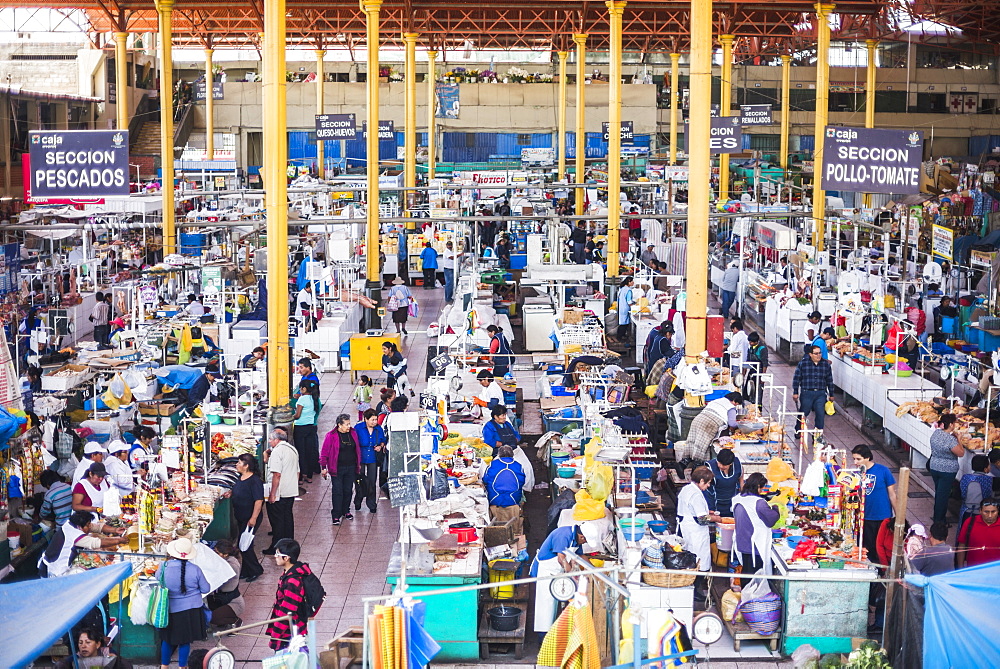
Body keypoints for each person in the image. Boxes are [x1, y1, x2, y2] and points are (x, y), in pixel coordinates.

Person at [157, 537, 211, 669]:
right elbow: (206, 589)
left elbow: (158, 579)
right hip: (191, 610)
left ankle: (164, 666)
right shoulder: (195, 569)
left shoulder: (163, 567)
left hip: (169, 610)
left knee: (167, 639)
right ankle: (182, 666)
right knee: (185, 641)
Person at [530, 524, 590, 632]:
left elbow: (581, 556)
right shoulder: (563, 535)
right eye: (585, 541)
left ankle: (552, 634)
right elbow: (561, 558)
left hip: (557, 571)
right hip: (546, 570)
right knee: (545, 609)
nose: (585, 543)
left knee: (554, 607)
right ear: (582, 536)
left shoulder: (576, 538)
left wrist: (594, 570)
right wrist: (570, 574)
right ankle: (542, 638)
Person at [677, 467, 723, 599]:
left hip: (687, 528)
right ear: (701, 480)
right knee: (700, 561)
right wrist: (717, 518)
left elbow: (694, 511)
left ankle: (692, 589)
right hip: (695, 532)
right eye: (707, 483)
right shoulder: (696, 494)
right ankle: (695, 591)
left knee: (692, 559)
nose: (708, 486)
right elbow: (702, 519)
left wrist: (709, 512)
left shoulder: (687, 489)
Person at [40, 510, 127, 578]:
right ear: (80, 526)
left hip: (50, 563)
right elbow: (95, 543)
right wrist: (119, 540)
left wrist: (115, 530)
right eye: (88, 525)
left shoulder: (71, 523)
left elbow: (95, 527)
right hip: (54, 569)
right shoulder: (74, 534)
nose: (90, 527)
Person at [852, 445, 898, 566]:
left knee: (881, 549)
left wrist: (899, 516)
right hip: (865, 517)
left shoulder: (883, 471)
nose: (855, 462)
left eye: (858, 459)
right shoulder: (856, 474)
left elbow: (892, 495)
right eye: (854, 459)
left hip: (883, 517)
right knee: (866, 550)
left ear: (867, 458)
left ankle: (882, 573)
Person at [732, 473, 781, 585]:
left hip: (742, 541)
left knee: (746, 571)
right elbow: (771, 520)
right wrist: (775, 507)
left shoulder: (737, 498)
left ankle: (746, 596)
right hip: (755, 544)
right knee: (755, 575)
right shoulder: (758, 503)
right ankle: (753, 599)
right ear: (758, 486)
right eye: (762, 488)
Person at [267, 539, 316, 650]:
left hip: (290, 633)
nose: (275, 556)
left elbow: (287, 613)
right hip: (291, 629)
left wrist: (275, 637)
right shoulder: (291, 573)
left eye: (278, 554)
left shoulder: (292, 582)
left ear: (286, 558)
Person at [262, 429, 299, 555]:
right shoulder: (292, 450)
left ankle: (276, 546)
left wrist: (272, 494)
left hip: (280, 493)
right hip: (290, 490)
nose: (270, 442)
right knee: (287, 517)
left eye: (271, 440)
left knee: (277, 520)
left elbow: (276, 475)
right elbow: (297, 472)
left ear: (277, 440)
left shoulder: (278, 452)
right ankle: (289, 543)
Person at [321, 414, 362, 525]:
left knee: (348, 490)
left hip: (351, 467)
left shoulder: (353, 433)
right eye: (346, 424)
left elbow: (356, 449)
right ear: (339, 425)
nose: (349, 426)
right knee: (338, 491)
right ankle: (336, 515)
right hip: (337, 468)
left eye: (349, 424)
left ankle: (346, 510)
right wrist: (323, 467)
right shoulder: (331, 436)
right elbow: (324, 452)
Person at [231, 453, 265, 581]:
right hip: (241, 516)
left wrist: (253, 518)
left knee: (245, 545)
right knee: (243, 543)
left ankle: (256, 569)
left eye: (239, 463)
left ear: (246, 466)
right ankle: (246, 570)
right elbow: (238, 491)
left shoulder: (255, 481)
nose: (237, 465)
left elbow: (258, 501)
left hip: (250, 517)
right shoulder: (241, 478)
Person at [682, 392, 743, 463]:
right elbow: (732, 423)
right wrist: (742, 424)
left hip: (697, 420)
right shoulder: (731, 407)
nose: (735, 406)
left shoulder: (717, 401)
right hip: (709, 424)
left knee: (692, 442)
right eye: (736, 404)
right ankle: (698, 465)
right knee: (703, 446)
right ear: (734, 401)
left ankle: (684, 462)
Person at [792, 345, 835, 438]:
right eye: (816, 353)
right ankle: (798, 430)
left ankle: (817, 434)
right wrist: (795, 392)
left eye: (820, 353)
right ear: (810, 354)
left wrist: (831, 394)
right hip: (807, 392)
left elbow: (829, 380)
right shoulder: (803, 364)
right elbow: (797, 378)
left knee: (820, 413)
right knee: (804, 412)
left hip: (820, 393)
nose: (818, 355)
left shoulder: (825, 365)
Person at [928, 414, 963, 523]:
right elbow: (961, 453)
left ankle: (938, 517)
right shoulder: (951, 440)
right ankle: (939, 521)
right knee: (942, 496)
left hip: (934, 466)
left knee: (939, 492)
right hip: (947, 470)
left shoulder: (936, 433)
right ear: (951, 425)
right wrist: (959, 440)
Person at [354, 409, 386, 513]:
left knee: (372, 481)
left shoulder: (378, 429)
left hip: (373, 458)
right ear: (366, 419)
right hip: (361, 458)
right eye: (372, 420)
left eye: (375, 420)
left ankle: (371, 504)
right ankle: (358, 500)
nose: (374, 422)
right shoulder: (358, 428)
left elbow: (383, 440)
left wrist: (380, 446)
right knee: (360, 481)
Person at [207, 540, 245, 629]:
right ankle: (223, 618)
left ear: (225, 554)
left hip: (233, 602)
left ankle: (236, 621)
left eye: (217, 552)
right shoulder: (224, 561)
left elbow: (217, 574)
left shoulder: (232, 565)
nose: (215, 554)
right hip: (220, 598)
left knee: (212, 618)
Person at [483, 445, 527, 521]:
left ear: (499, 455)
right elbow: (522, 482)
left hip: (494, 499)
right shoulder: (518, 466)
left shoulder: (492, 464)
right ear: (512, 455)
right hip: (513, 499)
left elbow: (485, 480)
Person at [55, 626, 131, 669]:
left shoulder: (107, 652)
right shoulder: (76, 658)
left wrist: (116, 659)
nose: (83, 646)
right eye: (80, 643)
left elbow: (125, 665)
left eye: (88, 642)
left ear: (98, 644)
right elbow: (62, 664)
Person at [956, 498, 1000, 568]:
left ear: (998, 511)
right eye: (986, 512)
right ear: (980, 511)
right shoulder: (969, 522)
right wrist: (960, 569)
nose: (990, 516)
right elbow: (962, 545)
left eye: (993, 512)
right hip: (973, 571)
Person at [292, 379, 321, 483]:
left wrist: (290, 417)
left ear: (304, 389)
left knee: (300, 452)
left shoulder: (302, 400)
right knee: (309, 452)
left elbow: (297, 415)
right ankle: (309, 476)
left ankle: (300, 477)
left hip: (300, 428)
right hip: (311, 428)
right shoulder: (315, 399)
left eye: (300, 388)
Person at [705, 448, 744, 517]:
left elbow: (740, 474)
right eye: (719, 463)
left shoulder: (737, 464)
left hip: (732, 501)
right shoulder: (710, 467)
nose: (721, 466)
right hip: (715, 502)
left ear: (731, 463)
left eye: (724, 465)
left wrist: (742, 485)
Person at [959, 454, 994, 528]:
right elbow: (989, 496)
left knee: (964, 532)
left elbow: (962, 494)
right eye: (989, 465)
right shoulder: (988, 480)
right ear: (985, 469)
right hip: (981, 513)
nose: (990, 467)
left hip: (965, 511)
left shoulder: (965, 478)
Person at [616, 276, 636, 344]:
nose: (633, 283)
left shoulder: (622, 289)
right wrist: (635, 305)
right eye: (632, 281)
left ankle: (621, 336)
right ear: (629, 282)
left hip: (621, 307)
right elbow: (629, 301)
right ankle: (620, 337)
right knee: (624, 324)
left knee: (622, 323)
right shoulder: (628, 290)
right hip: (625, 308)